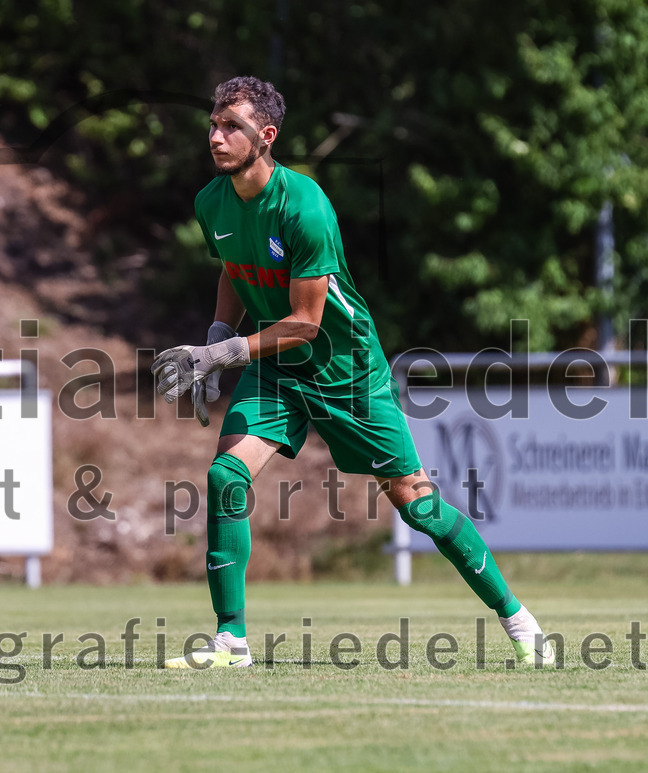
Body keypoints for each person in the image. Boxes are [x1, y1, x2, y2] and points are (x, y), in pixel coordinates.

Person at [152, 75, 553, 669]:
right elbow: (234, 271)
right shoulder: (212, 202)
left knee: (418, 507)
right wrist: (217, 333)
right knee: (224, 478)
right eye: (213, 123)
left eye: (230, 126)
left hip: (344, 370)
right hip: (278, 371)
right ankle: (229, 640)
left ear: (265, 137)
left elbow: (307, 323)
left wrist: (218, 354)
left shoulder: (305, 206)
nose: (215, 135)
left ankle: (519, 622)